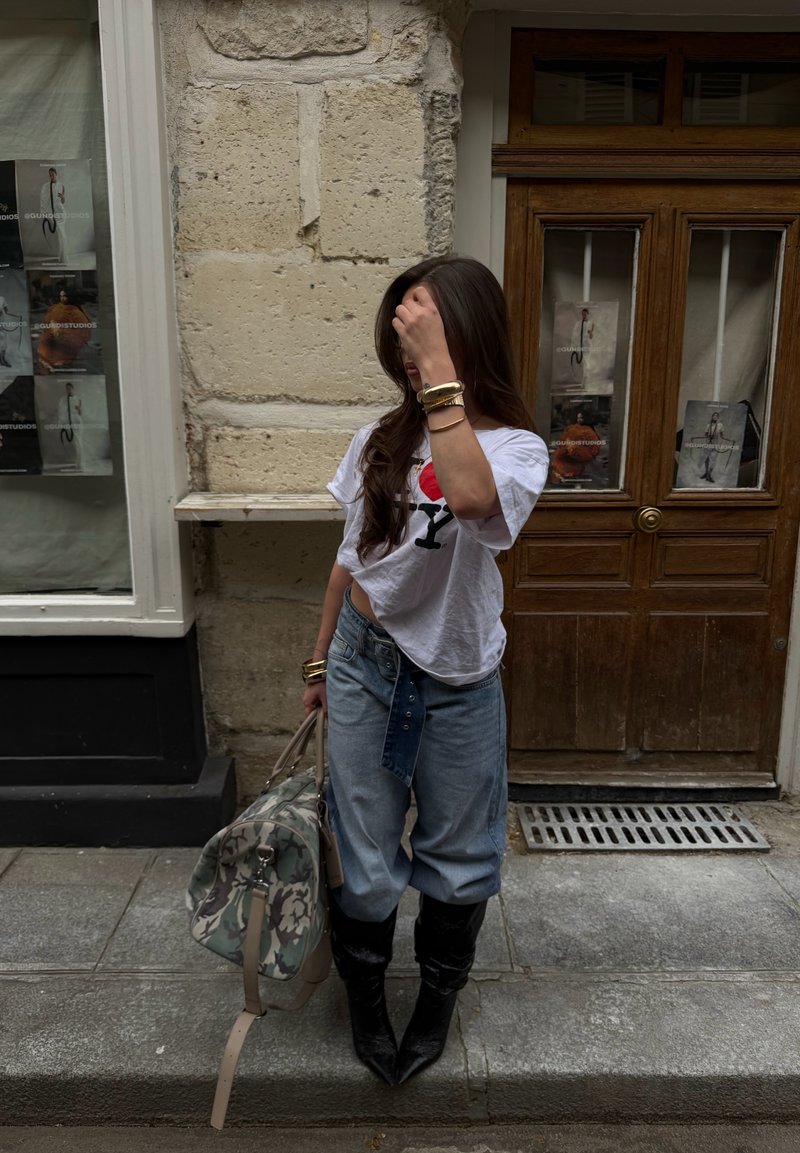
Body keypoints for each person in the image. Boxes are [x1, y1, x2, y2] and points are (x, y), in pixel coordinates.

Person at [302, 255, 549, 1086]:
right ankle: (367, 1005)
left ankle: (435, 1004)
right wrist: (318, 658)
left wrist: (441, 370)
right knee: (364, 853)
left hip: (460, 677)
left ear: (466, 335)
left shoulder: (517, 447)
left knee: (460, 854)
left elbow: (477, 502)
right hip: (365, 664)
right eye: (402, 336)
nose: (408, 354)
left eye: (425, 332)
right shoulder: (378, 439)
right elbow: (352, 557)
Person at [36, 287, 93, 372]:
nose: (62, 298)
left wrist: (59, 331)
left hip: (66, 348)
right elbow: (46, 324)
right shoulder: (55, 308)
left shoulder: (77, 313)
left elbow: (83, 333)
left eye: (64, 296)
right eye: (61, 296)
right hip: (51, 345)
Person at [549, 408, 603, 485]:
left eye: (581, 418)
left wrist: (572, 448)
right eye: (578, 418)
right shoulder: (572, 429)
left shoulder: (589, 433)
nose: (579, 420)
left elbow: (593, 451)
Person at [39, 167, 67, 264]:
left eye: (53, 174)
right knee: (59, 236)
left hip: (61, 213)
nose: (51, 176)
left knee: (62, 236)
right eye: (49, 175)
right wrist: (44, 213)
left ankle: (63, 258)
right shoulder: (46, 186)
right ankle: (61, 257)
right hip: (51, 213)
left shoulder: (62, 185)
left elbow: (63, 202)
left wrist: (63, 197)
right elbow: (43, 200)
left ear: (56, 174)